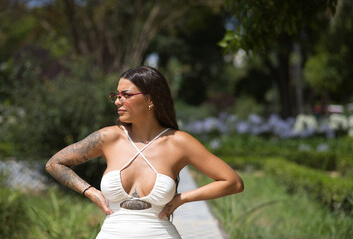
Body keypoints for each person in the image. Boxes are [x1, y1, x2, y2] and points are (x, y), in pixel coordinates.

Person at [46, 66, 244, 239]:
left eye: (126, 95)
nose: (117, 101)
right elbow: (55, 163)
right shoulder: (109, 138)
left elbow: (233, 182)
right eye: (116, 95)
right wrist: (91, 192)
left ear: (150, 99)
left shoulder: (179, 142)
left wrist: (182, 198)